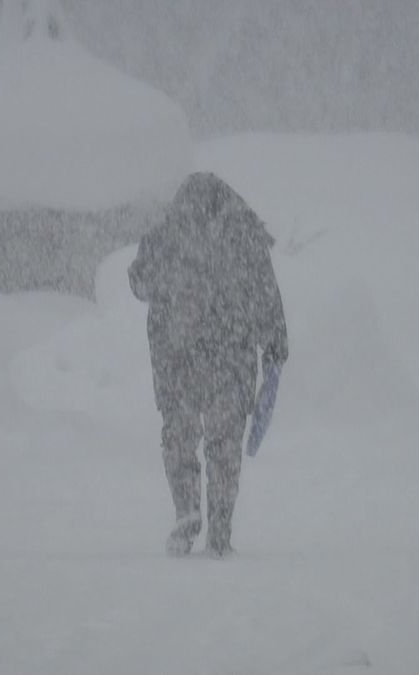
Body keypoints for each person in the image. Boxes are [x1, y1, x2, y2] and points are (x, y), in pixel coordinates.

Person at [129, 172, 288, 558]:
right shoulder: (246, 236)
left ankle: (186, 509)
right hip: (231, 356)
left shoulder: (168, 234)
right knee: (224, 443)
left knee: (179, 435)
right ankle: (220, 528)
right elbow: (266, 294)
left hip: (177, 354)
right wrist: (275, 345)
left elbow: (139, 284)